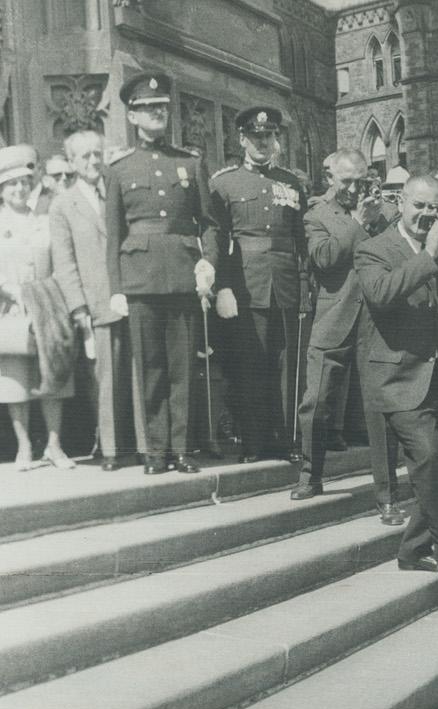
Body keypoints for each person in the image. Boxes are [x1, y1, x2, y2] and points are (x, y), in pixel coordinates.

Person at [353, 174, 438, 597]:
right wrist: (429, 253)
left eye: (435, 208)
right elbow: (381, 293)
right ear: (401, 203)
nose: (427, 215)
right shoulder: (374, 248)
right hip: (396, 377)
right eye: (420, 206)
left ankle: (413, 548)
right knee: (428, 459)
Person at [104, 73, 216, 476]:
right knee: (150, 369)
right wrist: (116, 288)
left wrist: (209, 263)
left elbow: (209, 223)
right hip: (140, 280)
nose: (158, 114)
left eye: (163, 108)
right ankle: (155, 452)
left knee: (183, 368)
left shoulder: (189, 162)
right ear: (132, 116)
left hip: (183, 275)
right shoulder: (118, 169)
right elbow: (114, 233)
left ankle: (183, 449)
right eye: (150, 109)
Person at [290, 149, 402, 524]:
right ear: (330, 179)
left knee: (378, 409)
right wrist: (357, 221)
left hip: (375, 321)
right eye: (346, 182)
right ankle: (311, 474)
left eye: (360, 180)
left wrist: (373, 221)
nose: (354, 188)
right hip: (334, 316)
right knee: (316, 401)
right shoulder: (315, 215)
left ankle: (387, 496)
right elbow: (323, 259)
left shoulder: (385, 216)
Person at [206, 106, 305, 463]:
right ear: (242, 140)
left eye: (269, 136)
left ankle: (287, 439)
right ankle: (254, 441)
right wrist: (224, 287)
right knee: (251, 366)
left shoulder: (291, 183)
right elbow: (218, 240)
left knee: (286, 368)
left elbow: (301, 239)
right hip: (247, 284)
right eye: (256, 136)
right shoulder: (224, 183)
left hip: (287, 286)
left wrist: (304, 288)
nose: (263, 143)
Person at [48, 130, 139, 472]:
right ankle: (111, 449)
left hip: (129, 296)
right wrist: (78, 307)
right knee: (105, 379)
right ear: (71, 162)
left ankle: (139, 445)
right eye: (84, 156)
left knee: (135, 372)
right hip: (94, 301)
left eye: (97, 154)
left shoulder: (116, 195)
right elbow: (65, 262)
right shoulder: (63, 204)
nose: (93, 161)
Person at [0, 145, 81, 471]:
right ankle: (24, 448)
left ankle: (54, 445)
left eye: (24, 182)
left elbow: (61, 260)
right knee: (16, 379)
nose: (19, 189)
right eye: (11, 184)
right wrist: (11, 292)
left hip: (47, 306)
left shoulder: (46, 221)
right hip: (12, 307)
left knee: (54, 375)